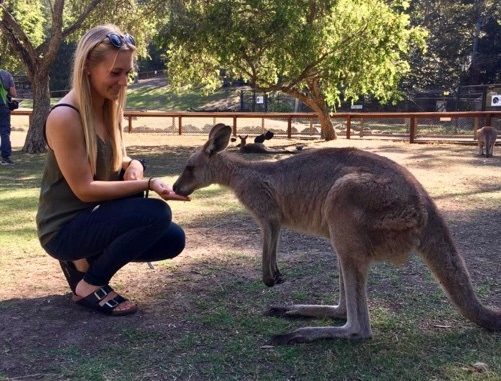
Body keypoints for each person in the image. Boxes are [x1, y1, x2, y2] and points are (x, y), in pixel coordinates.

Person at [36, 24, 189, 316]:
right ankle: (90, 285)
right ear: (87, 70)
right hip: (63, 230)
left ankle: (83, 260)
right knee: (156, 214)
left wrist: (134, 165)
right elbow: (85, 189)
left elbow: (115, 159)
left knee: (173, 238)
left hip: (91, 218)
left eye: (128, 73)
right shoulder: (65, 117)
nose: (123, 82)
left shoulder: (106, 106)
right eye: (115, 73)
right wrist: (148, 183)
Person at [0, 68, 17, 165]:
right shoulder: (6, 75)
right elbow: (13, 93)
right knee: (4, 132)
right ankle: (5, 157)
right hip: (3, 107)